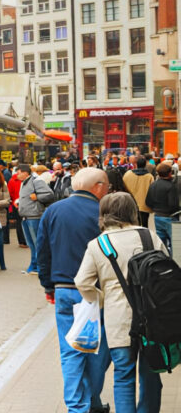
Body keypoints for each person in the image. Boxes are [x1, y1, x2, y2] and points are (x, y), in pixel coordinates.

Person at [75, 191, 166, 413]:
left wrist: (103, 300)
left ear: (104, 214)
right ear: (132, 211)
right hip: (152, 318)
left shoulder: (98, 244)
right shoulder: (149, 236)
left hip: (119, 321)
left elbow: (82, 282)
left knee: (124, 376)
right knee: (151, 374)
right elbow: (166, 271)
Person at [35, 167, 112, 413]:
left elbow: (42, 252)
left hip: (64, 291)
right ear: (98, 187)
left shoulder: (53, 211)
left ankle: (78, 406)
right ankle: (88, 401)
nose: (108, 190)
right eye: (107, 186)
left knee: (71, 351)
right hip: (95, 294)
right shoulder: (103, 212)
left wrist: (48, 285)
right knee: (97, 351)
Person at [16, 164, 55, 275]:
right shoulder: (25, 183)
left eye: (18, 172)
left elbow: (49, 194)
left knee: (37, 243)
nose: (17, 175)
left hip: (34, 216)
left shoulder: (36, 181)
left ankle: (40, 267)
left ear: (25, 172)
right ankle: (33, 266)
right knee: (31, 244)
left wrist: (37, 197)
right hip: (26, 216)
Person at [146, 161, 180, 253]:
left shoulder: (153, 185)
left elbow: (148, 201)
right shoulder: (170, 186)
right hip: (170, 217)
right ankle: (174, 263)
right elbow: (173, 204)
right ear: (169, 173)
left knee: (161, 243)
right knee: (175, 243)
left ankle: (163, 262)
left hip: (157, 216)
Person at [124, 157, 155, 227]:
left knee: (131, 225)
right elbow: (152, 190)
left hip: (130, 203)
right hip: (144, 205)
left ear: (136, 164)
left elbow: (123, 187)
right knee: (144, 225)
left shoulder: (128, 174)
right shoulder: (149, 176)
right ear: (145, 165)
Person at [6, 162, 27, 248]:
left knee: (19, 223)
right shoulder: (24, 180)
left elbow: (9, 194)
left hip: (16, 204)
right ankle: (24, 241)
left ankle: (22, 242)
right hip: (21, 203)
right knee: (23, 223)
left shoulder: (12, 181)